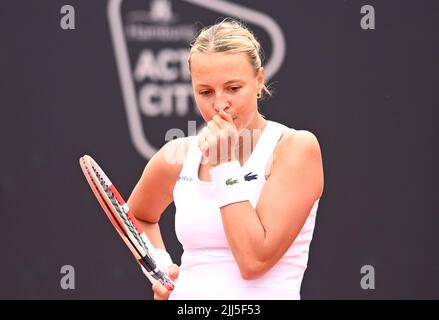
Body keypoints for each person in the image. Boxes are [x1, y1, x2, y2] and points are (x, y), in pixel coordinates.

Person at [127, 18, 324, 300]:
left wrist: (223, 165)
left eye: (233, 88)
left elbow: (254, 261)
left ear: (259, 80)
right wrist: (161, 269)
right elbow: (136, 217)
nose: (219, 104)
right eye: (205, 92)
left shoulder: (295, 148)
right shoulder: (177, 156)